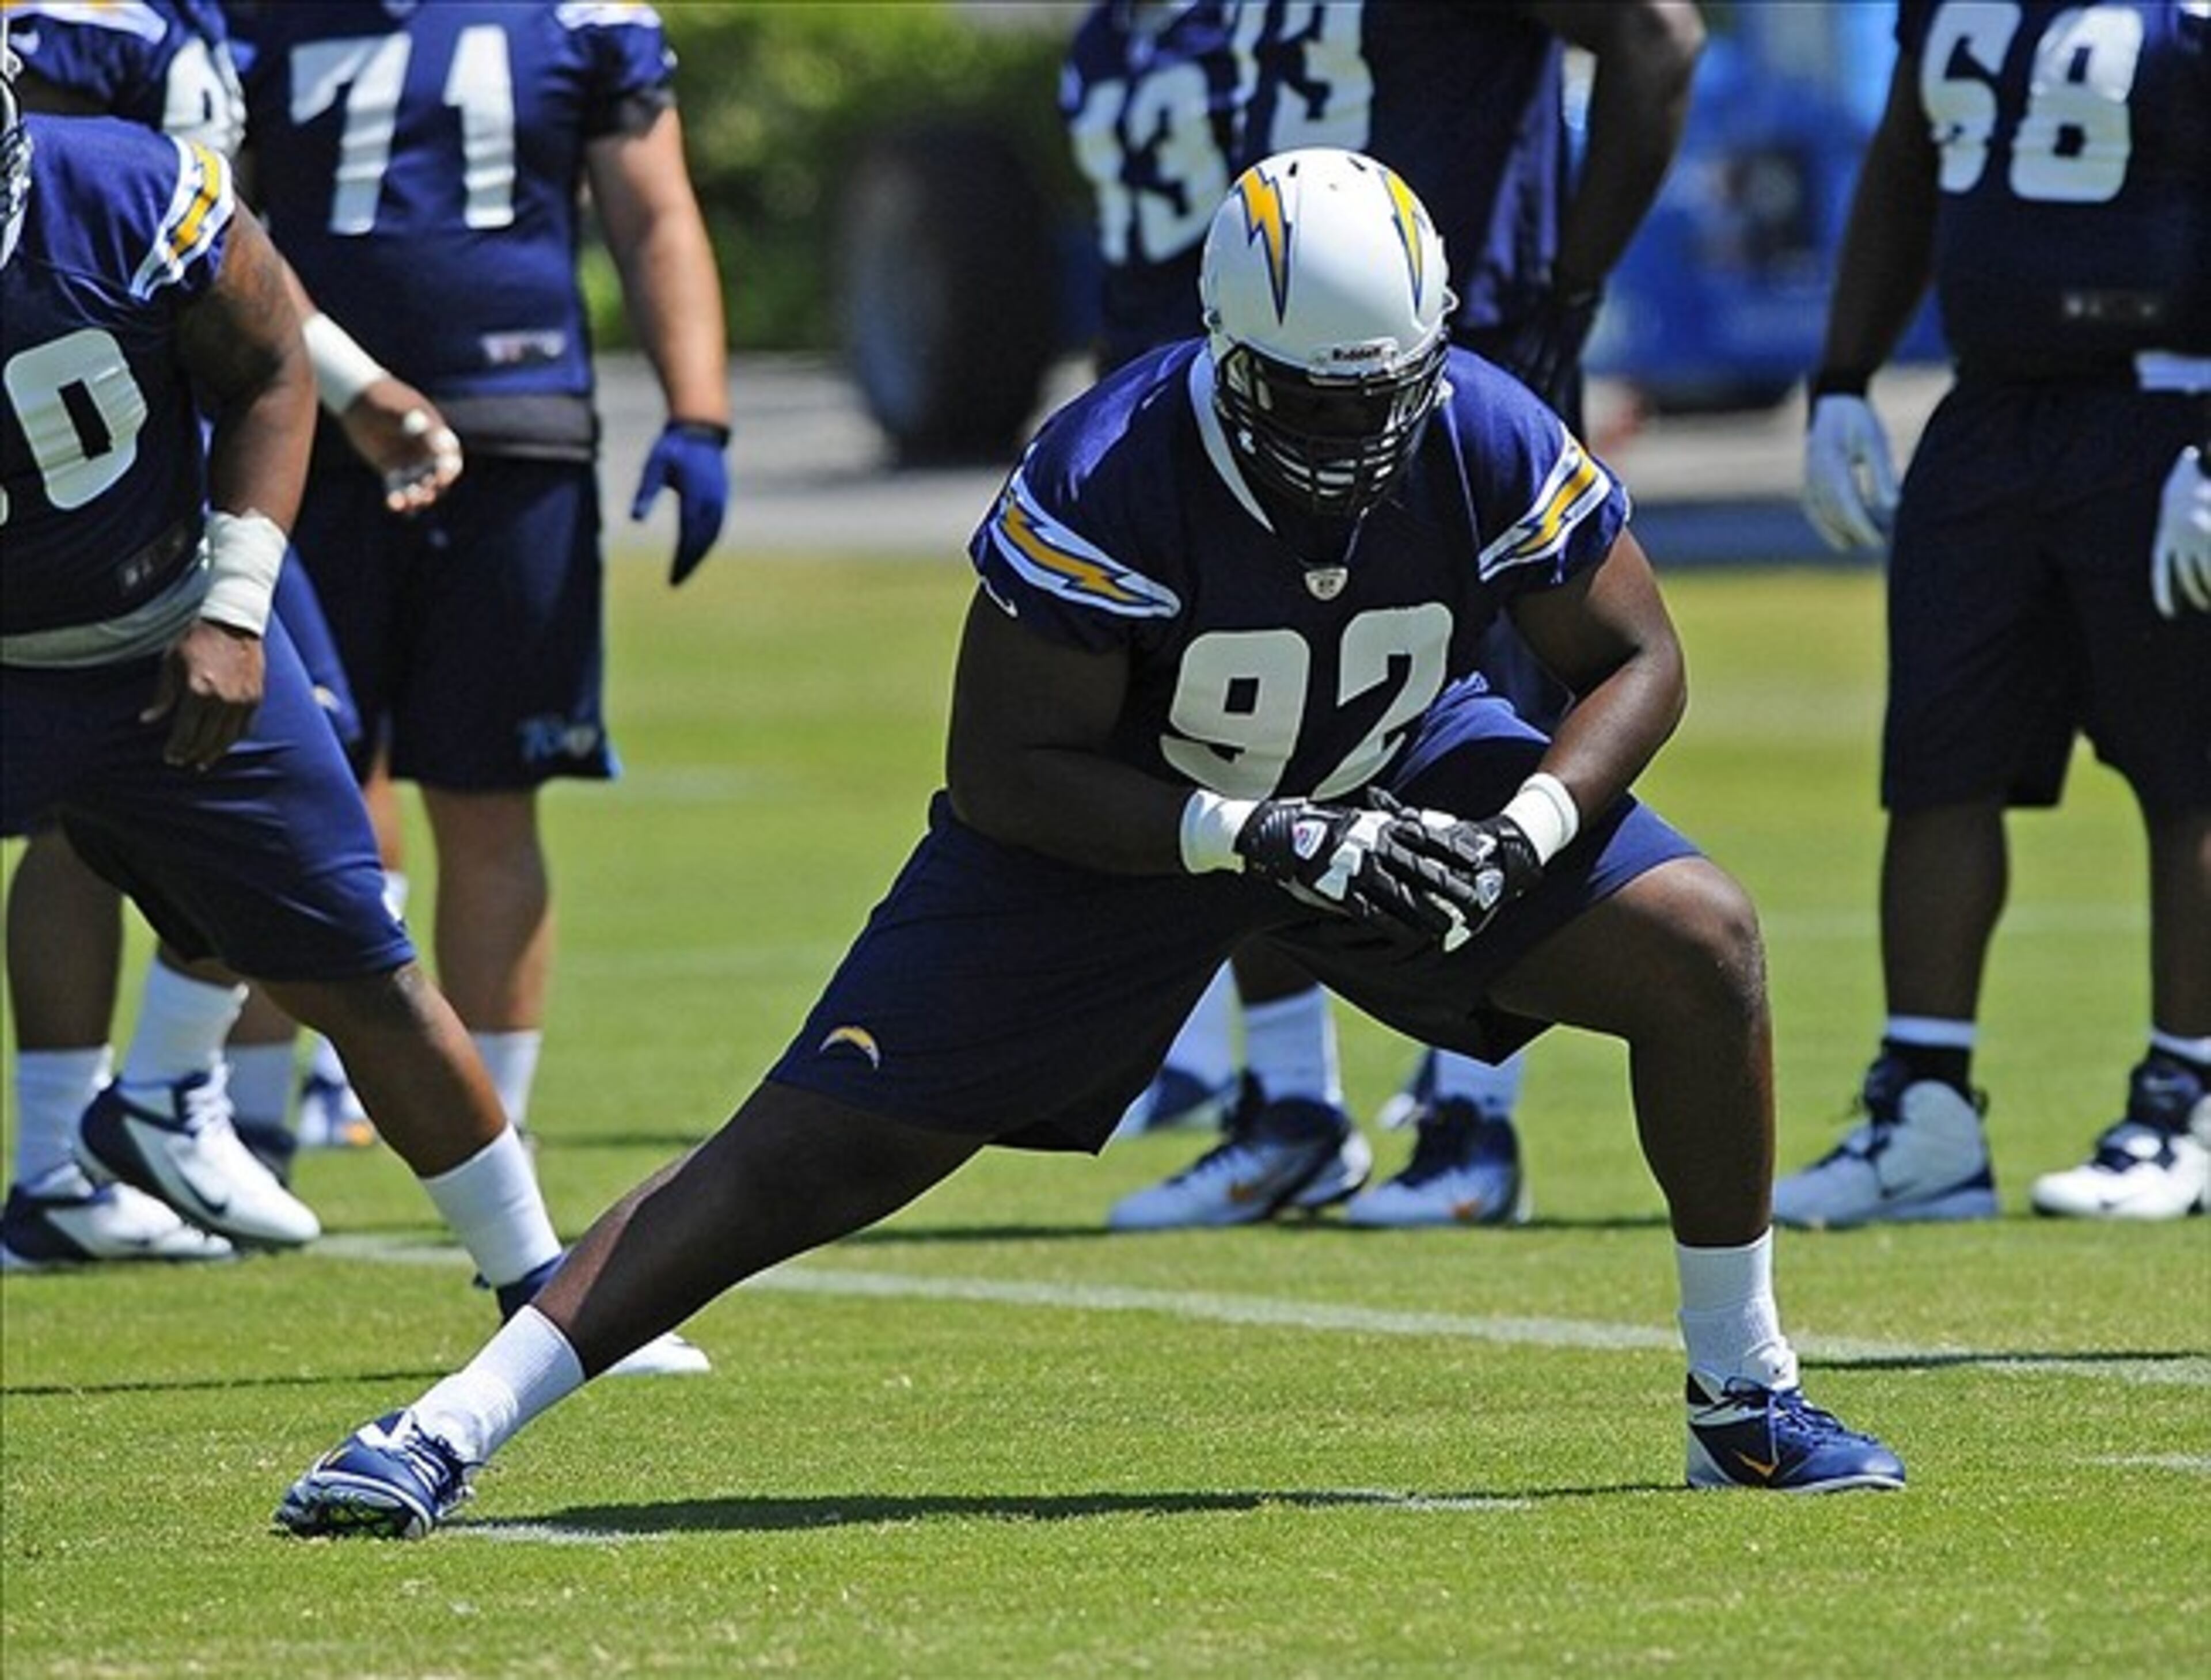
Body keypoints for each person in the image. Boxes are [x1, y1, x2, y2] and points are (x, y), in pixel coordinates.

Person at [275, 149, 1902, 1540]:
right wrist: (1257, 835)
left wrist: (1531, 825)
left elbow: (1640, 656)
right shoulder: (1114, 467)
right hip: (1115, 833)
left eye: (1382, 396)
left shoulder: (1478, 425)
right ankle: (442, 1429)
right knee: (804, 1150)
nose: (1354, 435)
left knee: (1703, 940)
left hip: (1391, 782)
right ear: (1229, 353)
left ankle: (1743, 1393)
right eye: (1313, 399)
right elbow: (1004, 769)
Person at [0, 40, 706, 1381]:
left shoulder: (131, 189)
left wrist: (236, 604)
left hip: (159, 639)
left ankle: (546, 1292)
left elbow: (269, 361)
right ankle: (75, 1161)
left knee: (362, 971)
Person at [1062, 0, 1707, 1229]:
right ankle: (1294, 1105)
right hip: (1275, 381)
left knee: (1489, 723)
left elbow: (1657, 35)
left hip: (1434, 378)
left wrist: (1571, 284)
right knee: (1245, 715)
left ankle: (1473, 1111)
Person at [0, 0, 464, 1267]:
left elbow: (207, 246)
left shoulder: (214, 25)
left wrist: (357, 387)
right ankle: (100, 1127)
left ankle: (132, 1109)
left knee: (211, 768)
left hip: (181, 445)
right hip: (106, 473)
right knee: (136, 784)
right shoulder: (84, 30)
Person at [226, 0, 732, 1143]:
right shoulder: (255, 18)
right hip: (297, 429)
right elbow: (213, 218)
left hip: (516, 434)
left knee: (489, 791)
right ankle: (242, 1125)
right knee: (276, 790)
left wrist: (700, 412)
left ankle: (491, 1123)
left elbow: (654, 214)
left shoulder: (583, 20)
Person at [1778, 0, 2210, 1227]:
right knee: (1938, 762)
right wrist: (1844, 377)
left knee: (2190, 772)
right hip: (1992, 415)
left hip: (2167, 411)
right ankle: (1924, 1110)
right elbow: (1906, 162)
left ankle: (2190, 1093)